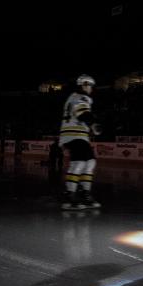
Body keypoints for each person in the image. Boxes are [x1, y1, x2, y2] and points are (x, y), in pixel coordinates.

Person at [59, 74, 102, 210]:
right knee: (80, 162)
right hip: (73, 135)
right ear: (84, 85)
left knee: (90, 162)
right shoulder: (80, 97)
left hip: (77, 135)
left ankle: (84, 193)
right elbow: (82, 113)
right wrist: (94, 124)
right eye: (90, 86)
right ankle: (70, 196)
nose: (91, 89)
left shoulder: (74, 97)